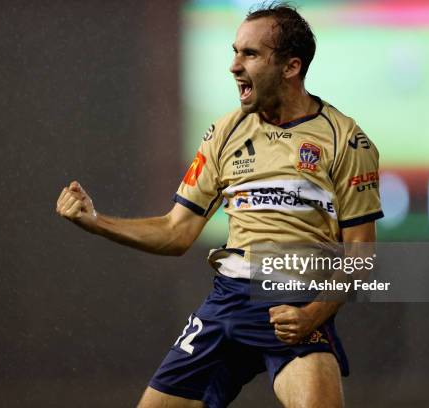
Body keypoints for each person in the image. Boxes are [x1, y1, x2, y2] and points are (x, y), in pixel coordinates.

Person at [56, 3, 382, 407]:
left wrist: (312, 316)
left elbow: (361, 255)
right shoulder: (225, 132)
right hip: (226, 302)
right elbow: (177, 232)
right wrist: (96, 221)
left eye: (250, 54)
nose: (234, 65)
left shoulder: (345, 139)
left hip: (292, 303)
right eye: (234, 51)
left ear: (290, 67)